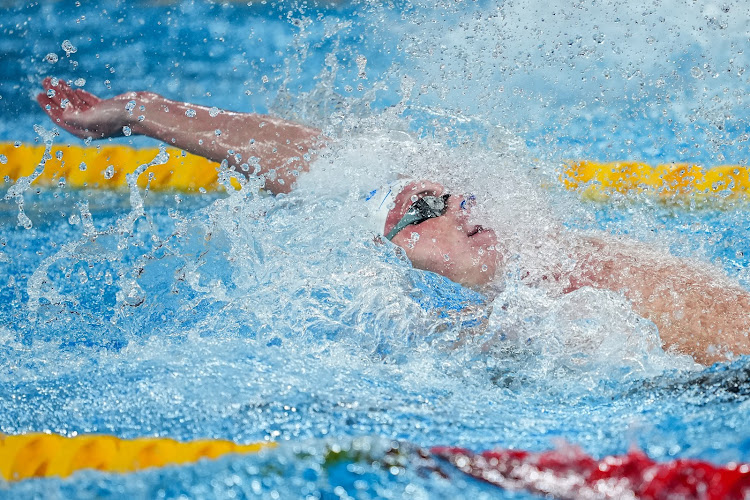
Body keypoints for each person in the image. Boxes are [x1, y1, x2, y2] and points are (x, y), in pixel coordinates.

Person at [36, 77, 750, 366]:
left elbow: (313, 159)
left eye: (454, 194)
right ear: (396, 260)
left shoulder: (540, 259)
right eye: (423, 211)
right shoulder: (514, 325)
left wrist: (138, 108)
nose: (459, 207)